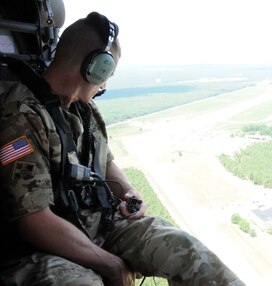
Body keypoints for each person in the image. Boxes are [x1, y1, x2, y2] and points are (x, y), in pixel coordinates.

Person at [0, 12, 245, 286]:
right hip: (46, 247)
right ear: (95, 68)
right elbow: (34, 221)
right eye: (108, 72)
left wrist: (128, 191)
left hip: (98, 224)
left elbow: (104, 163)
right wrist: (111, 264)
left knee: (189, 252)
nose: (105, 83)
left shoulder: (85, 110)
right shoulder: (20, 116)